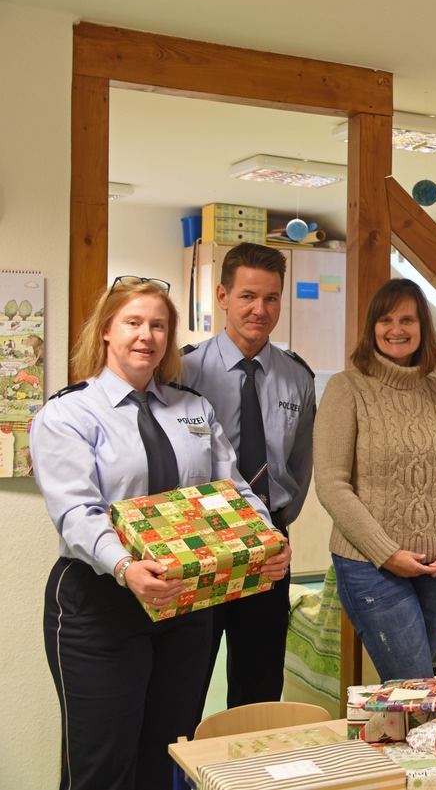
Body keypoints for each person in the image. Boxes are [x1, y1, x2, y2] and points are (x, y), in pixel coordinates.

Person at [31, 276, 288, 790]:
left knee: (168, 755)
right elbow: (78, 512)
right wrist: (125, 566)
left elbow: (232, 488)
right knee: (103, 765)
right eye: (133, 322)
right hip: (101, 602)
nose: (145, 335)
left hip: (184, 603)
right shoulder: (68, 413)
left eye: (158, 325)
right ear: (106, 330)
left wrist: (266, 540)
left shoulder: (192, 408)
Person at [314, 278, 436, 680]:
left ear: (423, 328)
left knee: (414, 687)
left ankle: (391, 742)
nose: (396, 329)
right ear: (372, 328)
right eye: (385, 319)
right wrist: (386, 552)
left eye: (407, 319)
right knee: (415, 684)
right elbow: (332, 485)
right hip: (371, 564)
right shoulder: (345, 387)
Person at [183, 242, 315, 716]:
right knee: (185, 681)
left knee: (259, 685)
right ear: (222, 295)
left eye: (272, 298)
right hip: (199, 539)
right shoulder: (181, 371)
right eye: (247, 296)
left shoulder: (297, 376)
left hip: (269, 543)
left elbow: (299, 465)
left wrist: (276, 524)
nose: (260, 310)